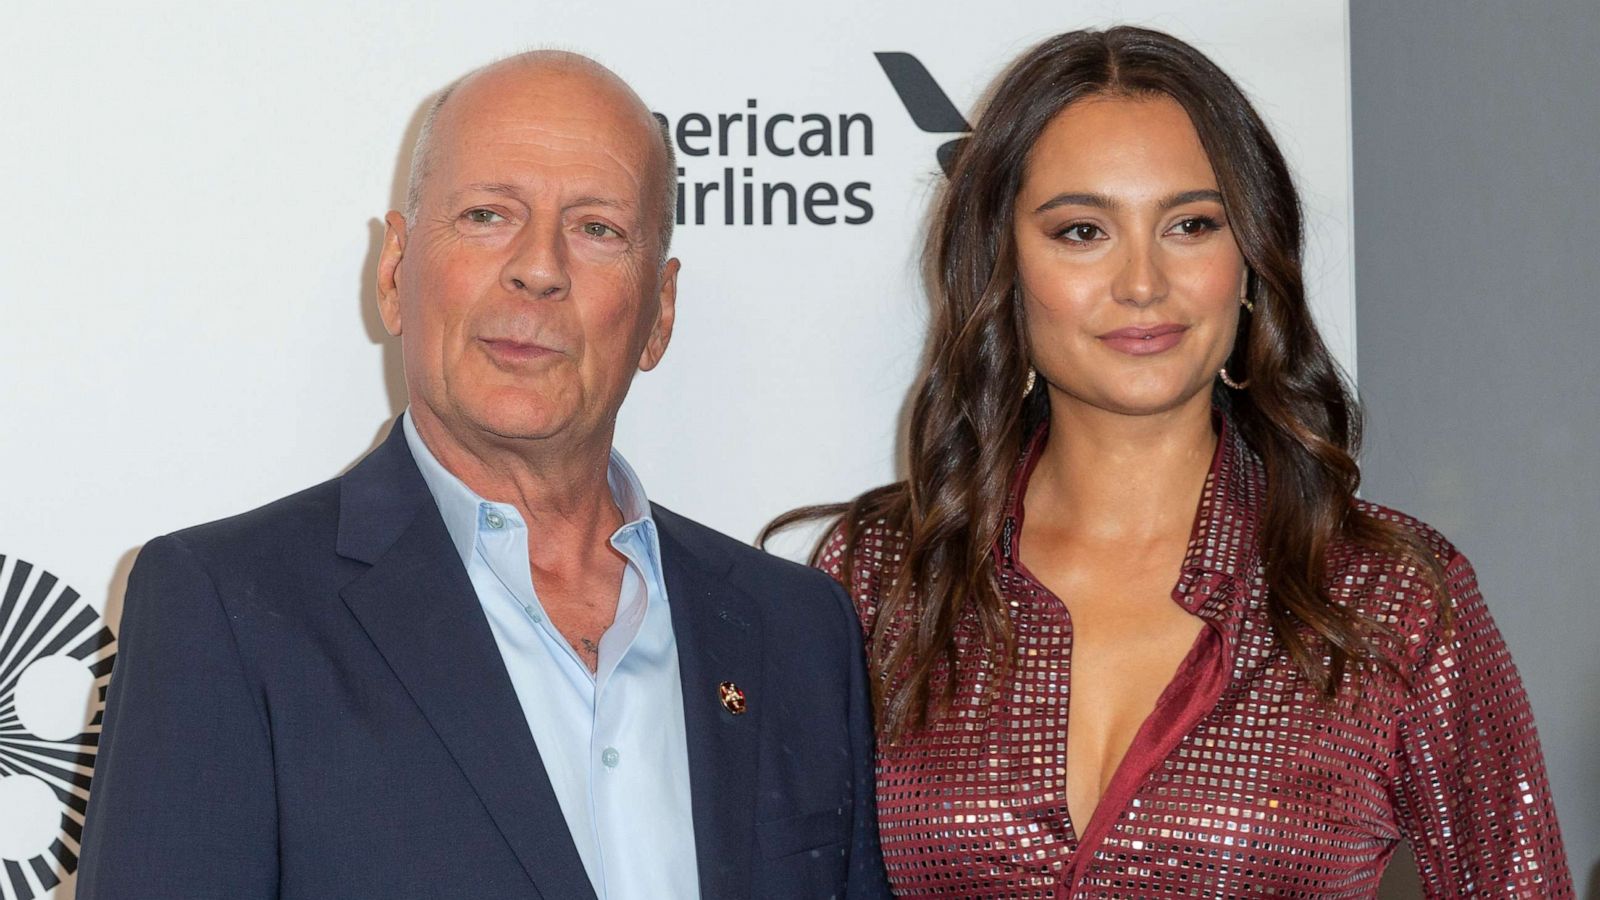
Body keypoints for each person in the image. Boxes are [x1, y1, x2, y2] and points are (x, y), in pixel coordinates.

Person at [769, 26, 1571, 898]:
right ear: (1002, 266)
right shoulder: (888, 574)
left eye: (1191, 224)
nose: (1143, 282)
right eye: (1082, 231)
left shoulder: (1388, 597)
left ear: (1251, 262)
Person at [78, 51, 888, 900]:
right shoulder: (226, 606)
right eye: (486, 214)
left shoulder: (798, 629)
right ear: (394, 275)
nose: (539, 267)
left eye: (597, 228)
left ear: (660, 313)